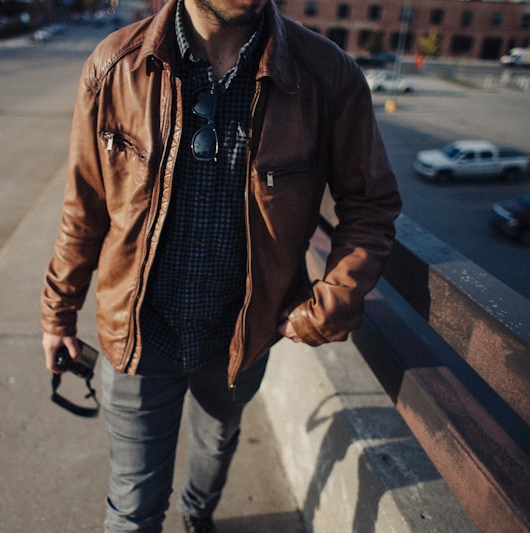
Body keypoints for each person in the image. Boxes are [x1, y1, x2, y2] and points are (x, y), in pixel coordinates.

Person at [40, 0, 402, 529]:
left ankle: (197, 514)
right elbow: (85, 206)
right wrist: (58, 312)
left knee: (214, 450)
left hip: (241, 340)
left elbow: (369, 202)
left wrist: (333, 302)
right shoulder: (115, 65)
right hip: (138, 336)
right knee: (132, 510)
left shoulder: (327, 76)